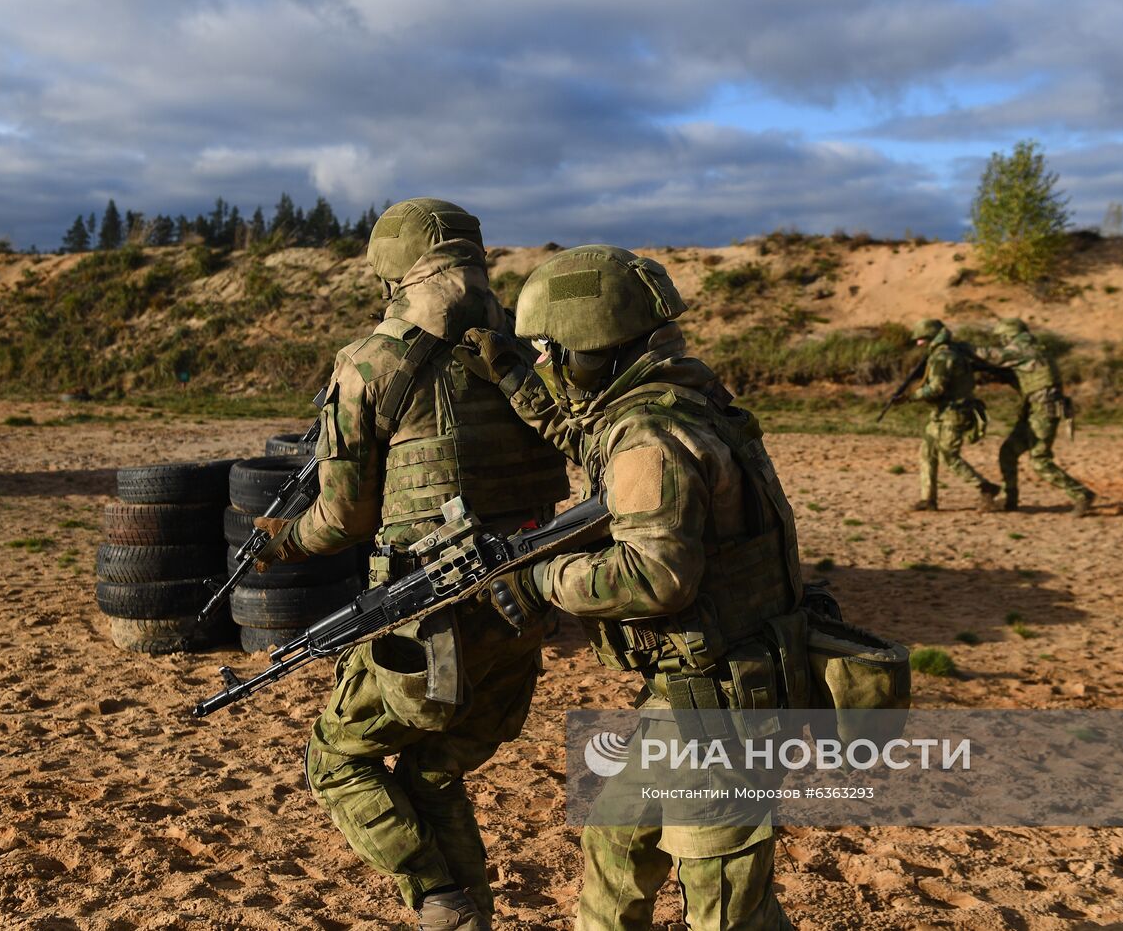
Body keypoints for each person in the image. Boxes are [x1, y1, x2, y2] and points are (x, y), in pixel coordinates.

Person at [456, 245, 802, 930]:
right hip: (693, 693)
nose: (550, 366)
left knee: (728, 908)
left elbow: (656, 576)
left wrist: (539, 576)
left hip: (723, 711)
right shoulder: (675, 397)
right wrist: (512, 375)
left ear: (594, 351)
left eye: (555, 352)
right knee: (614, 836)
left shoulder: (654, 432)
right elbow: (586, 438)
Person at [253, 198, 569, 930]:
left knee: (336, 760)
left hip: (431, 619)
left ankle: (436, 893)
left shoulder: (370, 361)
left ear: (390, 270)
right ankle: (466, 917)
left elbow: (341, 520)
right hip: (523, 608)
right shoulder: (520, 350)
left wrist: (281, 541)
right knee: (432, 772)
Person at [979, 317, 1095, 515]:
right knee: (1007, 452)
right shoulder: (1031, 351)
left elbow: (994, 356)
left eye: (1003, 337)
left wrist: (962, 348)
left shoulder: (1024, 349)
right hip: (1033, 411)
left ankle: (1082, 495)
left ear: (1009, 335)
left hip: (1043, 411)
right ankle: (1010, 500)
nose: (1002, 341)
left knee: (1040, 461)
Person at [907, 318, 1000, 512]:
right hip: (940, 413)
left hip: (953, 413)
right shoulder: (944, 353)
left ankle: (985, 488)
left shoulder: (943, 357)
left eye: (922, 339)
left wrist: (912, 396)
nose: (918, 343)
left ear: (932, 337)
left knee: (949, 456)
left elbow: (937, 388)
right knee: (927, 453)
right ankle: (928, 499)